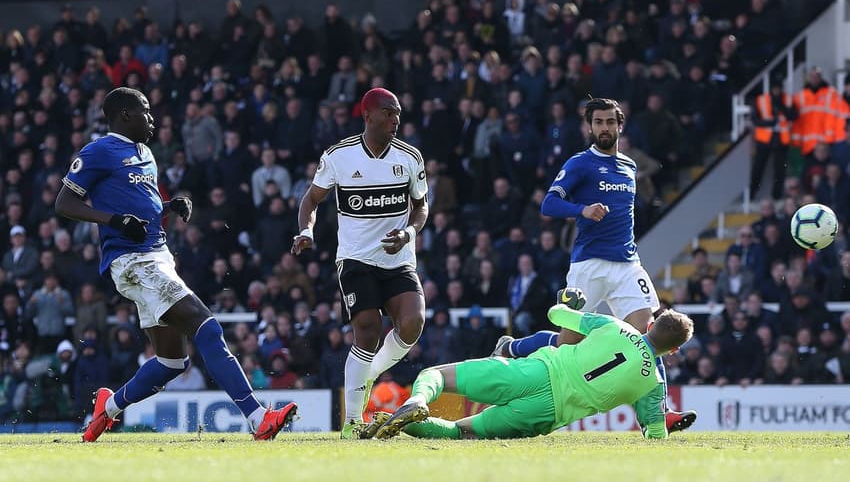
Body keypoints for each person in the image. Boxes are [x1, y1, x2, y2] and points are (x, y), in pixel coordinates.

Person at [55, 87, 296, 442]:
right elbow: (64, 203)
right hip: (133, 262)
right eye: (146, 111)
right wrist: (113, 221)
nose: (153, 119)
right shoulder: (98, 151)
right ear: (124, 115)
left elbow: (142, 206)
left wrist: (169, 207)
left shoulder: (146, 153)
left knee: (172, 362)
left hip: (158, 258)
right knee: (207, 327)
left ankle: (107, 409)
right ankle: (258, 417)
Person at [491, 98, 696, 433]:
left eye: (609, 122)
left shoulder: (629, 166)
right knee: (567, 343)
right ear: (589, 127)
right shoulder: (581, 164)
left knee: (649, 336)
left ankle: (658, 415)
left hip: (628, 265)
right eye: (598, 122)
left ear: (619, 126)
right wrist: (582, 210)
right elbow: (549, 203)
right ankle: (511, 346)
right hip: (589, 265)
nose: (604, 128)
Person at [291, 87, 428, 439]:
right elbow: (312, 198)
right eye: (387, 112)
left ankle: (367, 377)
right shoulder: (339, 156)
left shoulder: (410, 157)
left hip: (397, 258)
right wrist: (306, 230)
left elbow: (421, 206)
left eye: (397, 113)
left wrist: (409, 235)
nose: (395, 119)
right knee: (366, 331)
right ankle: (352, 422)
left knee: (413, 323)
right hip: (355, 259)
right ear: (367, 116)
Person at [368, 304, 694, 440]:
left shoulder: (614, 326)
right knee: (459, 433)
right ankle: (400, 425)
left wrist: (569, 302)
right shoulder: (653, 384)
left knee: (437, 376)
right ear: (674, 351)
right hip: (550, 412)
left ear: (651, 324)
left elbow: (557, 314)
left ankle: (418, 400)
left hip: (536, 370)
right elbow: (655, 433)